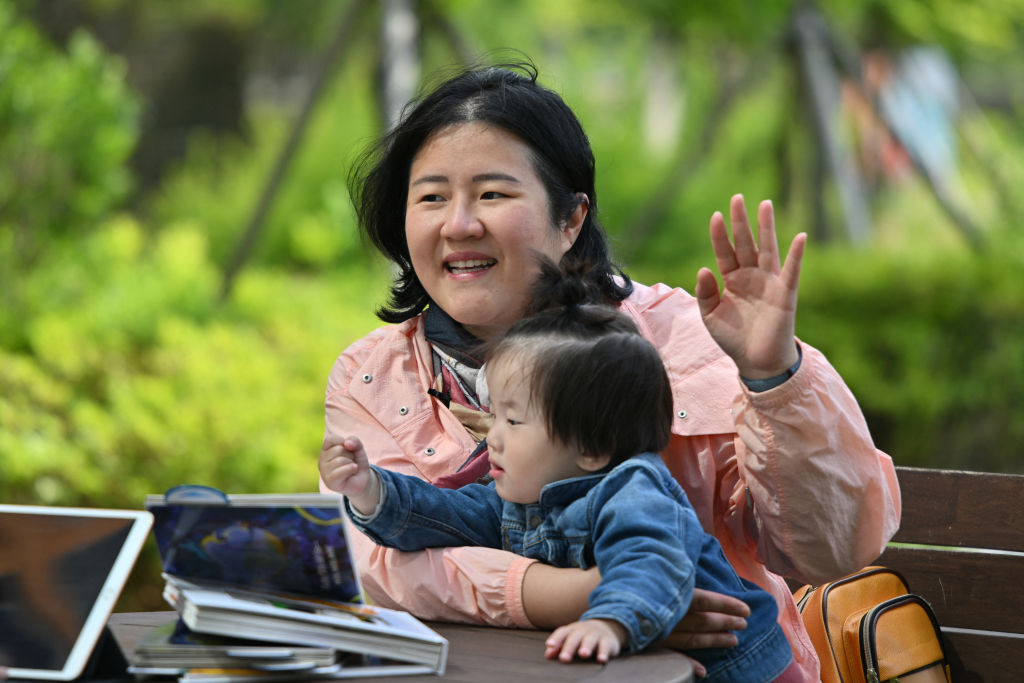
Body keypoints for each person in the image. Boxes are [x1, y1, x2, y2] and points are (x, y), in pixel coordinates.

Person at [318, 60, 901, 680]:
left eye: (492, 193)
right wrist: (595, 597)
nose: (459, 224)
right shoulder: (372, 375)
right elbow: (377, 562)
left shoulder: (687, 339)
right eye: (431, 197)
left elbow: (836, 548)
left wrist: (774, 377)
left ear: (571, 220)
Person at [321, 258, 795, 680]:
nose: (494, 438)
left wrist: (608, 620)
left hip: (741, 670)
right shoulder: (522, 495)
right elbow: (442, 514)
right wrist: (370, 491)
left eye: (513, 420)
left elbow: (650, 562)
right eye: (493, 417)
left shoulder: (634, 492)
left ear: (591, 447)